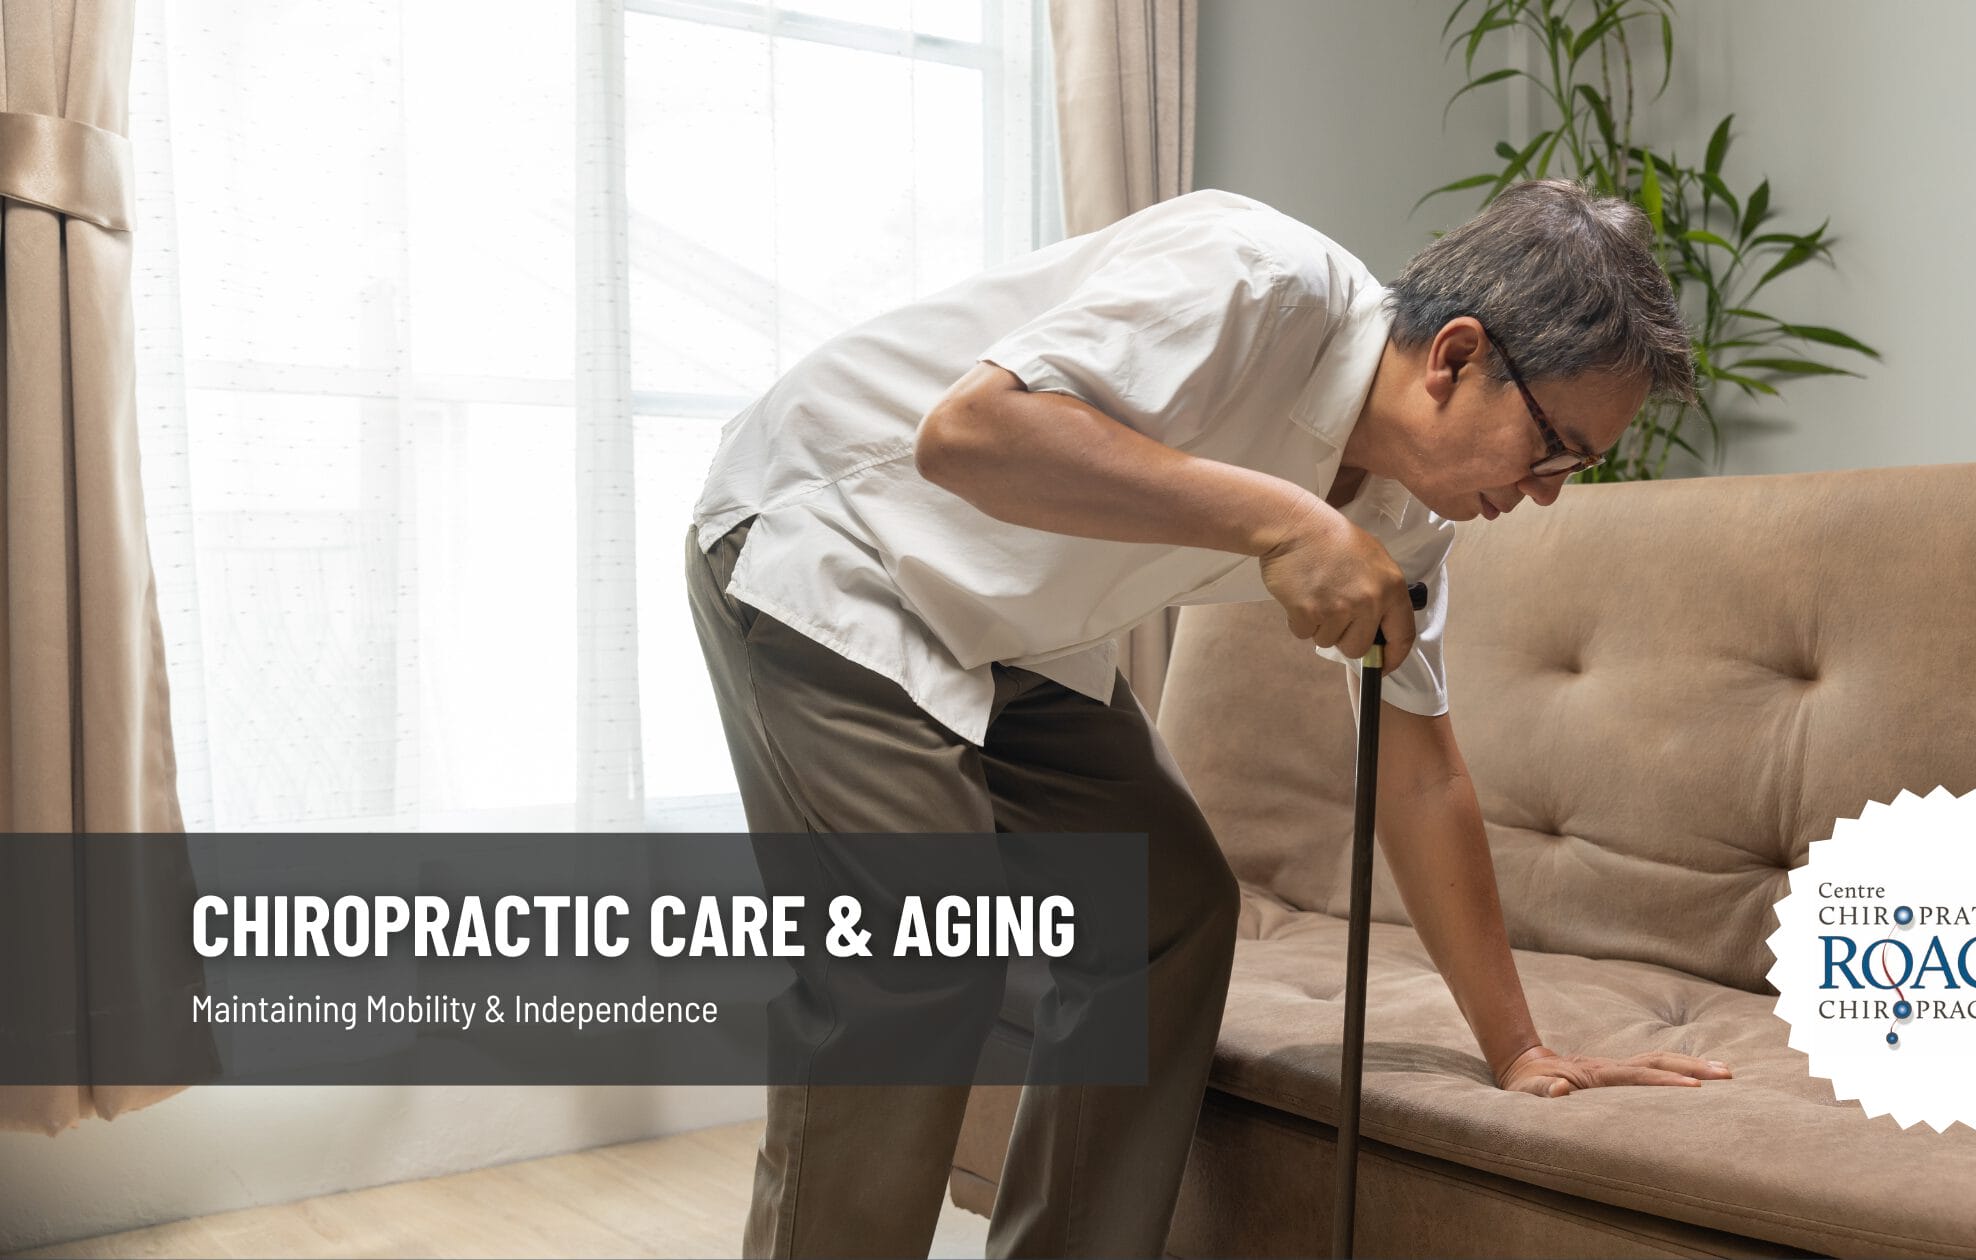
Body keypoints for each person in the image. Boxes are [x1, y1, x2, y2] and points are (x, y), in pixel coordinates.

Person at [684, 179, 1730, 1259]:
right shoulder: (1250, 277)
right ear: (1455, 357)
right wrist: (1283, 518)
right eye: (1552, 446)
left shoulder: (1412, 520)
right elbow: (966, 433)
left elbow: (1419, 772)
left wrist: (1516, 1049)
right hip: (832, 540)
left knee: (1169, 910)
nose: (1549, 491)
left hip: (1012, 630)